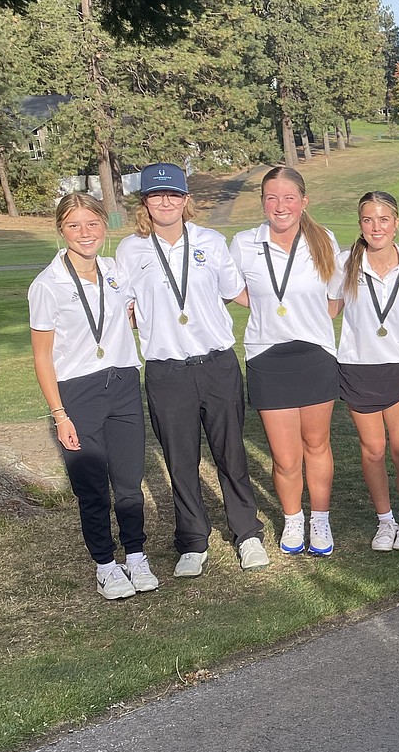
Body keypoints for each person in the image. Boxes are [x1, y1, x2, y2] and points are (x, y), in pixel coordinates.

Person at [115, 163, 268, 577]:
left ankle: (246, 532)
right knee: (180, 460)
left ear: (186, 200)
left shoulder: (211, 241)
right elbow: (123, 310)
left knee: (230, 452)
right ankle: (193, 540)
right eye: (155, 195)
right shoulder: (130, 250)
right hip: (167, 370)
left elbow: (239, 293)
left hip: (217, 363)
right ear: (144, 203)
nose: (165, 202)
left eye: (173, 195)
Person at [29, 193, 155, 600]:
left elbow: (131, 314)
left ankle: (135, 555)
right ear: (61, 230)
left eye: (92, 224)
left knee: (129, 480)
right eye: (74, 226)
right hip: (78, 393)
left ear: (105, 225)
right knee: (92, 487)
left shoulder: (116, 271)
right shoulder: (47, 285)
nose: (85, 233)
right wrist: (59, 414)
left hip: (122, 384)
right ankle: (106, 565)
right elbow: (42, 357)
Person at [230, 167, 340, 556]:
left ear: (303, 202)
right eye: (272, 197)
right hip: (266, 356)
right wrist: (268, 308)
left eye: (289, 197)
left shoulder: (323, 239)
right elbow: (233, 290)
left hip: (315, 354)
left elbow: (335, 297)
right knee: (285, 455)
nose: (280, 206)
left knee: (317, 444)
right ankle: (293, 519)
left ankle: (320, 520)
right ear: (262, 202)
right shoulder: (244, 243)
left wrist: (306, 320)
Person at [329, 191, 399, 552]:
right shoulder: (345, 262)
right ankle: (385, 521)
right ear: (360, 225)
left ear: (396, 222)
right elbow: (329, 311)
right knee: (372, 450)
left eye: (383, 219)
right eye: (368, 219)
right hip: (357, 367)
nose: (376, 226)